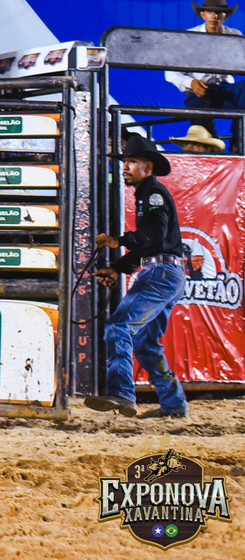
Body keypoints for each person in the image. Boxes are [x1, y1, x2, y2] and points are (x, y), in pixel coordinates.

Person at [86, 135, 189, 419]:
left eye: (132, 161)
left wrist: (118, 241)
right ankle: (173, 405)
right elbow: (152, 242)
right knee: (145, 343)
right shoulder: (148, 193)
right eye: (125, 161)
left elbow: (155, 233)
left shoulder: (152, 194)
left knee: (118, 325)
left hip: (160, 273)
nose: (126, 167)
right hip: (168, 273)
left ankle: (121, 392)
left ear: (148, 167)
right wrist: (118, 268)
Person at [164, 0, 241, 133]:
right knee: (198, 113)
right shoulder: (189, 37)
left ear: (226, 16)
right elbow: (170, 73)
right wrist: (191, 83)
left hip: (224, 89)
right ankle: (210, 143)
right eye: (210, 12)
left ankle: (239, 141)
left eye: (219, 12)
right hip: (199, 91)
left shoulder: (234, 35)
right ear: (203, 14)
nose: (215, 16)